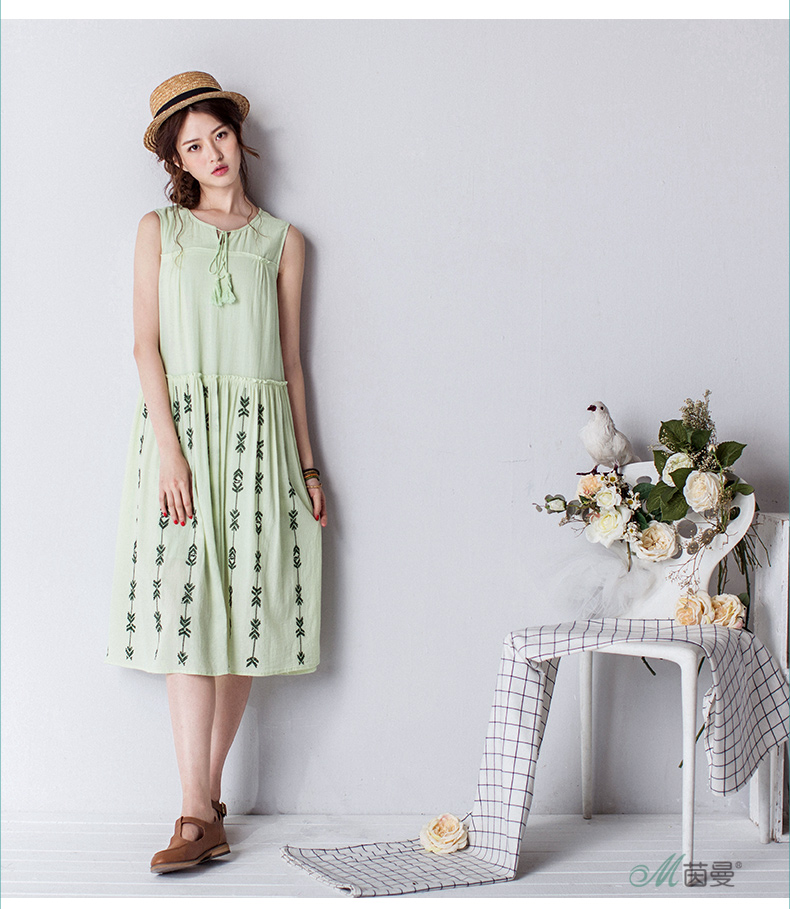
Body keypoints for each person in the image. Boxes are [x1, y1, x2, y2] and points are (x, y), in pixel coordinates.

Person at [105, 72, 326, 874]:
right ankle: (196, 808)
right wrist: (170, 450)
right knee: (186, 616)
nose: (212, 154)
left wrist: (308, 464)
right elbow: (145, 345)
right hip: (182, 441)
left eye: (219, 135)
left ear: (238, 134)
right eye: (193, 146)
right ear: (178, 161)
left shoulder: (284, 242)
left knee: (241, 620)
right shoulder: (159, 229)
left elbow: (292, 363)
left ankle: (205, 806)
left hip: (261, 444)